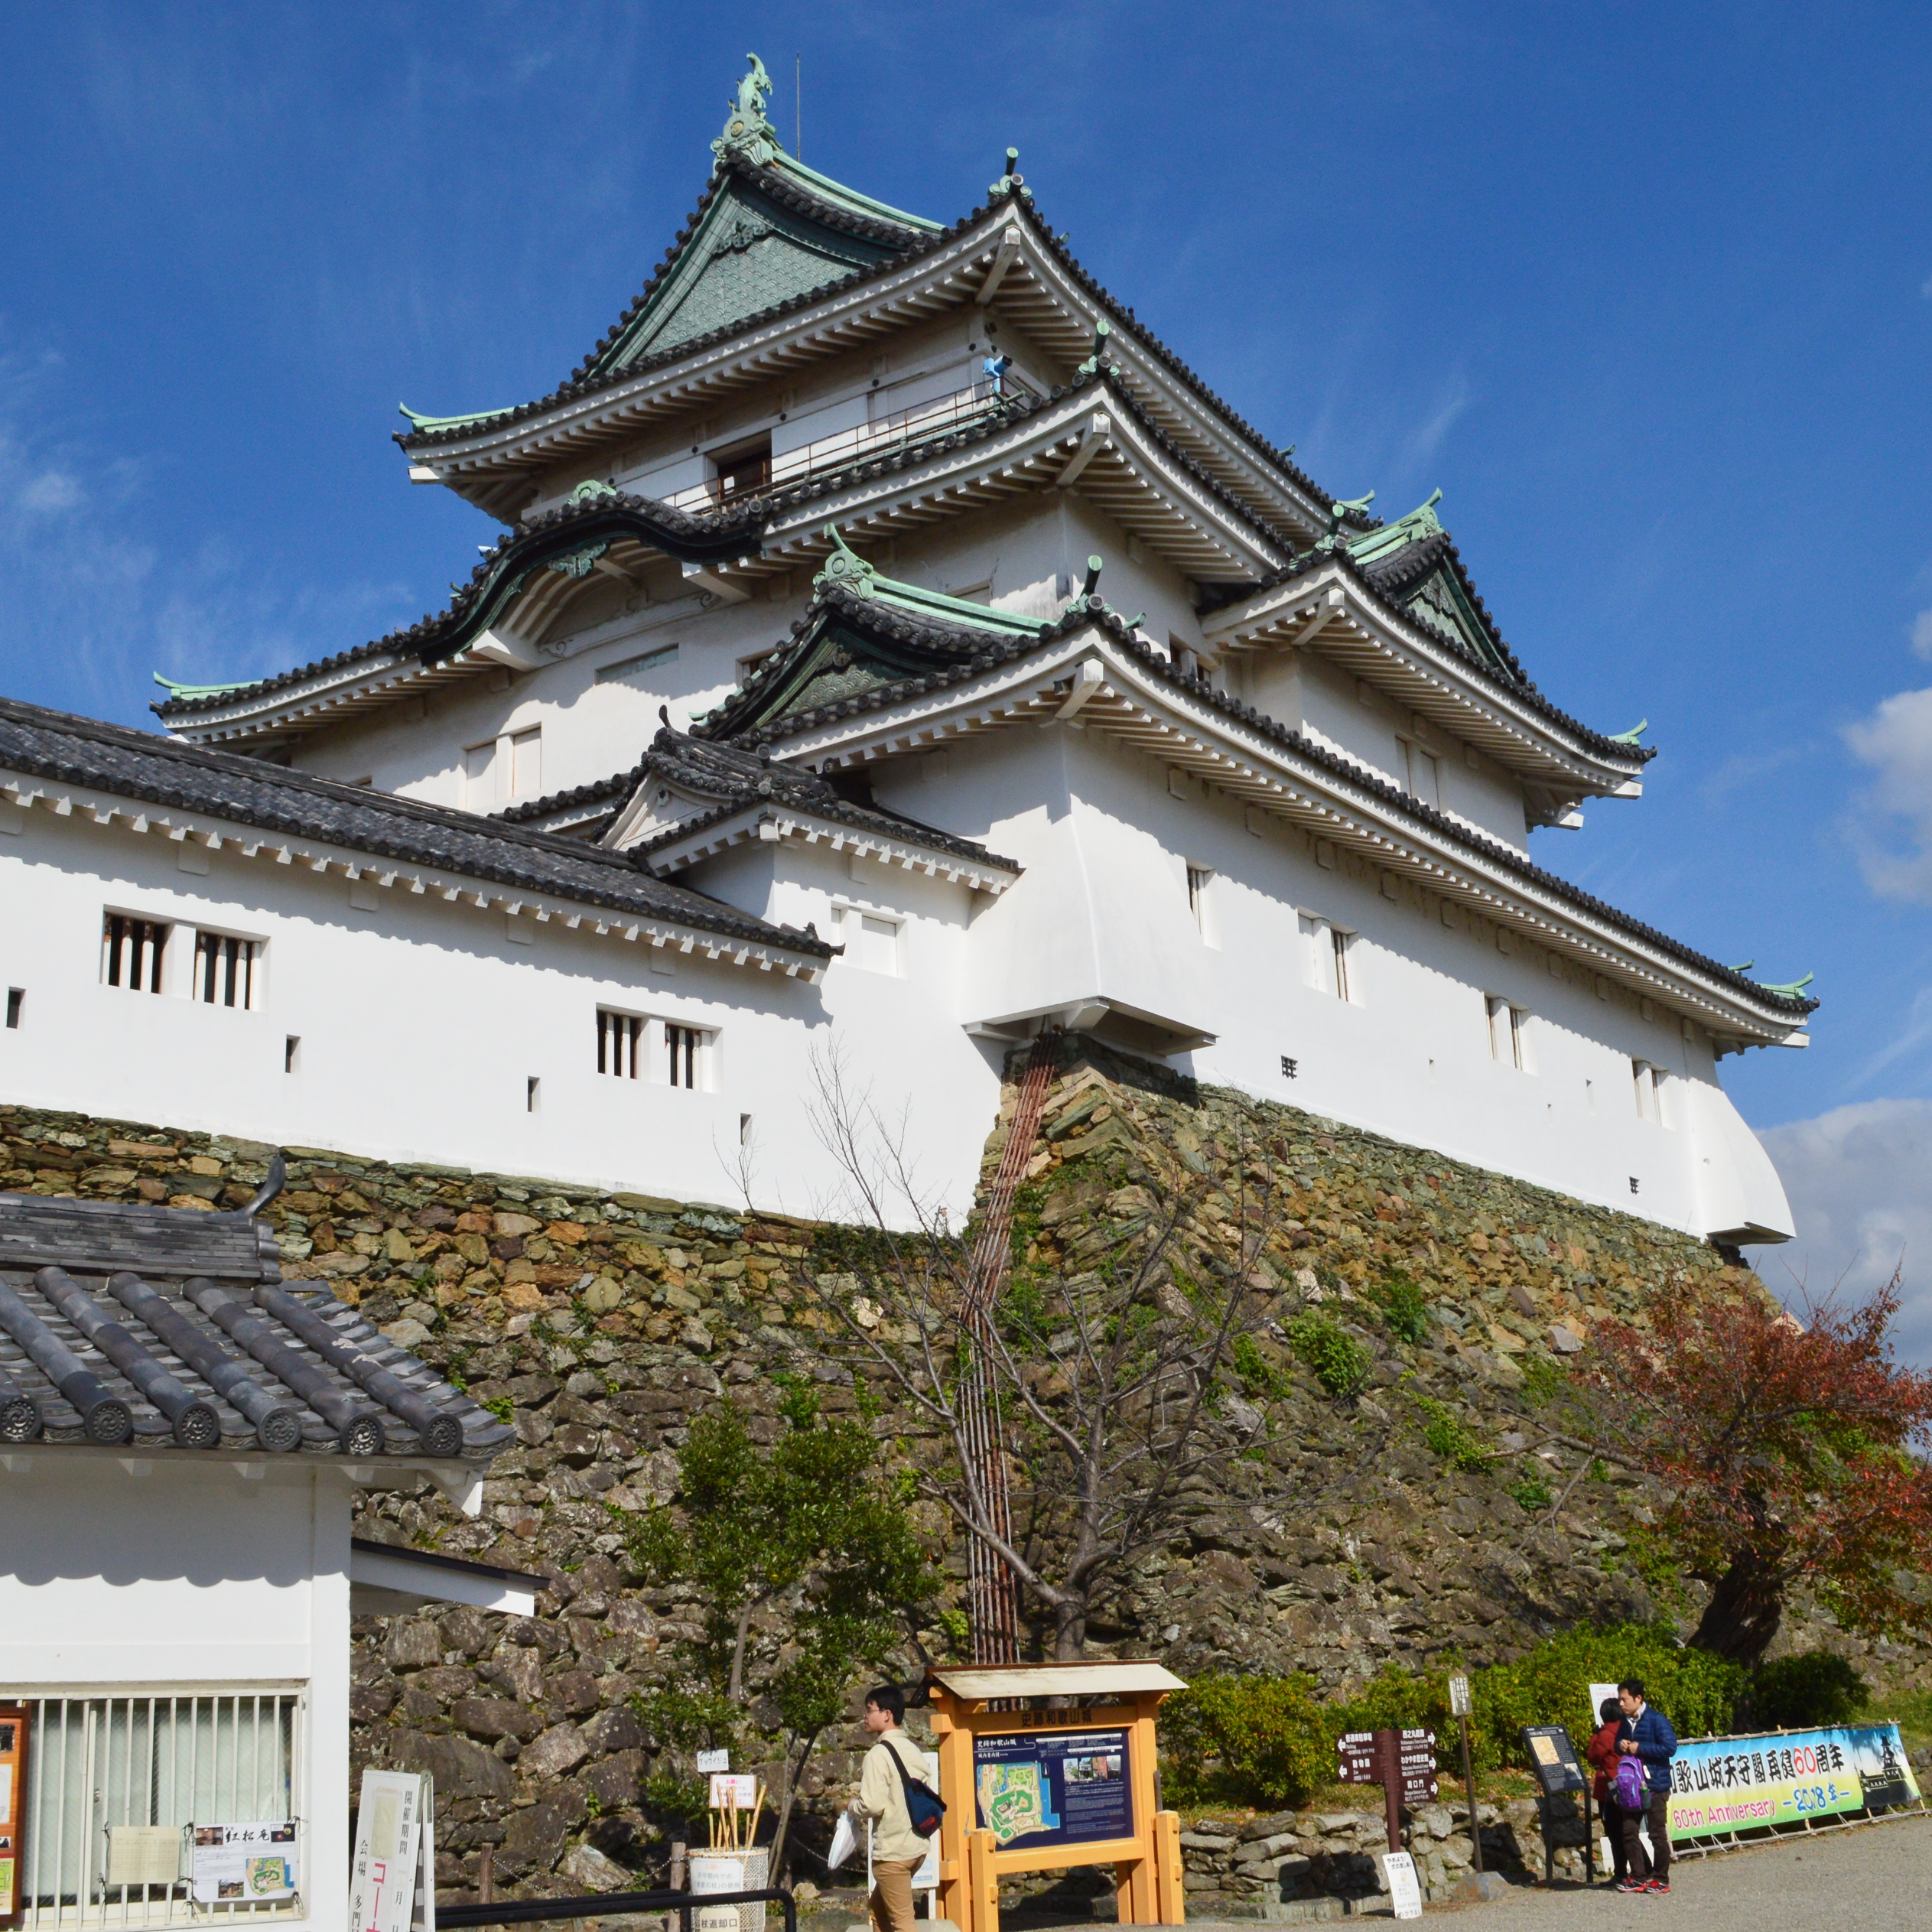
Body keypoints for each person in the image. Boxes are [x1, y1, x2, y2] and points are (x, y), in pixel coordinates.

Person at [848, 1683, 929, 1932]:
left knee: (903, 1923)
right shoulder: (913, 1749)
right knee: (879, 1912)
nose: (865, 1715)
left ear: (886, 1714)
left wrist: (852, 1807)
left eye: (869, 1709)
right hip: (916, 1849)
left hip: (892, 1854)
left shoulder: (877, 1754)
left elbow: (872, 1804)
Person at [1616, 1677, 1679, 1894]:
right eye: (1619, 1700)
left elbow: (1670, 1748)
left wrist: (1639, 1748)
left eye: (1624, 1699)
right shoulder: (1625, 1722)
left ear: (1638, 1698)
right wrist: (1621, 1745)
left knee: (1656, 1834)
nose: (1621, 1704)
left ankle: (1661, 1879)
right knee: (1629, 1831)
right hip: (1631, 1787)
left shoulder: (1656, 1720)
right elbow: (1618, 1746)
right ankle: (1638, 1877)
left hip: (1655, 1785)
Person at [1584, 1695, 1628, 1888]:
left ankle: (1620, 1874)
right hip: (1630, 1785)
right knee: (1630, 1830)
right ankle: (1645, 1868)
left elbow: (1593, 1756)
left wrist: (1595, 1734)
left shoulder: (1606, 1734)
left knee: (1615, 1832)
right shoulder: (1629, 1729)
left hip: (1611, 1788)